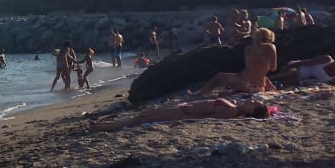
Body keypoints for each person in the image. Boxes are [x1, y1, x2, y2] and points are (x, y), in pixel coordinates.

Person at [190, 27, 279, 97]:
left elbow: (249, 67)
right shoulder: (271, 47)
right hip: (258, 87)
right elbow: (273, 68)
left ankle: (198, 94)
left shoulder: (248, 48)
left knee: (218, 77)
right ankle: (234, 92)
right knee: (227, 91)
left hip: (244, 81)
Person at [92, 98, 270, 131]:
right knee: (145, 115)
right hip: (183, 108)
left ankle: (103, 127)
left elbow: (208, 117)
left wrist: (183, 119)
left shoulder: (231, 111)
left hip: (183, 112)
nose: (251, 100)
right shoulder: (234, 108)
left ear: (251, 112)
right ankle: (105, 126)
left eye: (254, 103)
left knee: (142, 118)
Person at [269, 50, 335, 86]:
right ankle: (270, 79)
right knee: (292, 74)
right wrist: (289, 66)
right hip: (299, 68)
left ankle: (272, 84)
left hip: (302, 79)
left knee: (296, 81)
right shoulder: (327, 59)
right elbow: (305, 62)